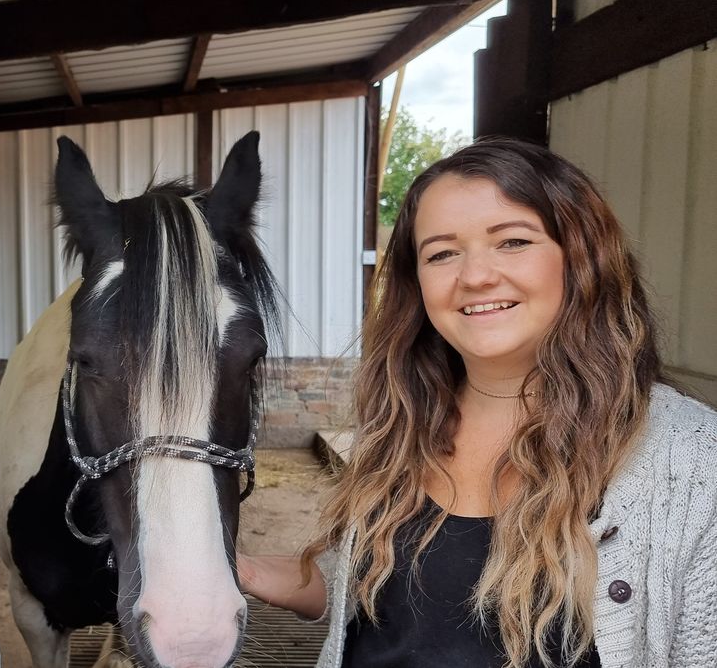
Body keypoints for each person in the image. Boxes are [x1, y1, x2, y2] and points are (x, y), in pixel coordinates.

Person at [238, 138, 717, 667]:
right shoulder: (401, 426)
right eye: (441, 253)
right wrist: (246, 571)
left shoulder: (692, 462)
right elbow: (389, 599)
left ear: (581, 256)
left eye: (512, 241)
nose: (475, 276)